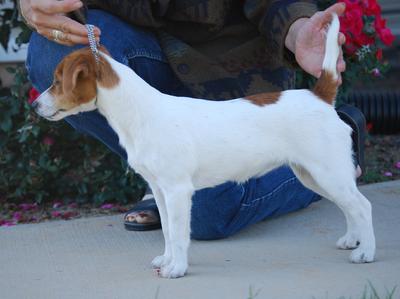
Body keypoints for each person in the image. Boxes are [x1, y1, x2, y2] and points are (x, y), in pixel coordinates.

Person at [19, 0, 364, 239]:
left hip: (227, 65)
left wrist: (296, 27)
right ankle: (163, 173)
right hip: (134, 45)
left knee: (209, 214)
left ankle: (332, 141)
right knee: (52, 52)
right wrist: (32, 5)